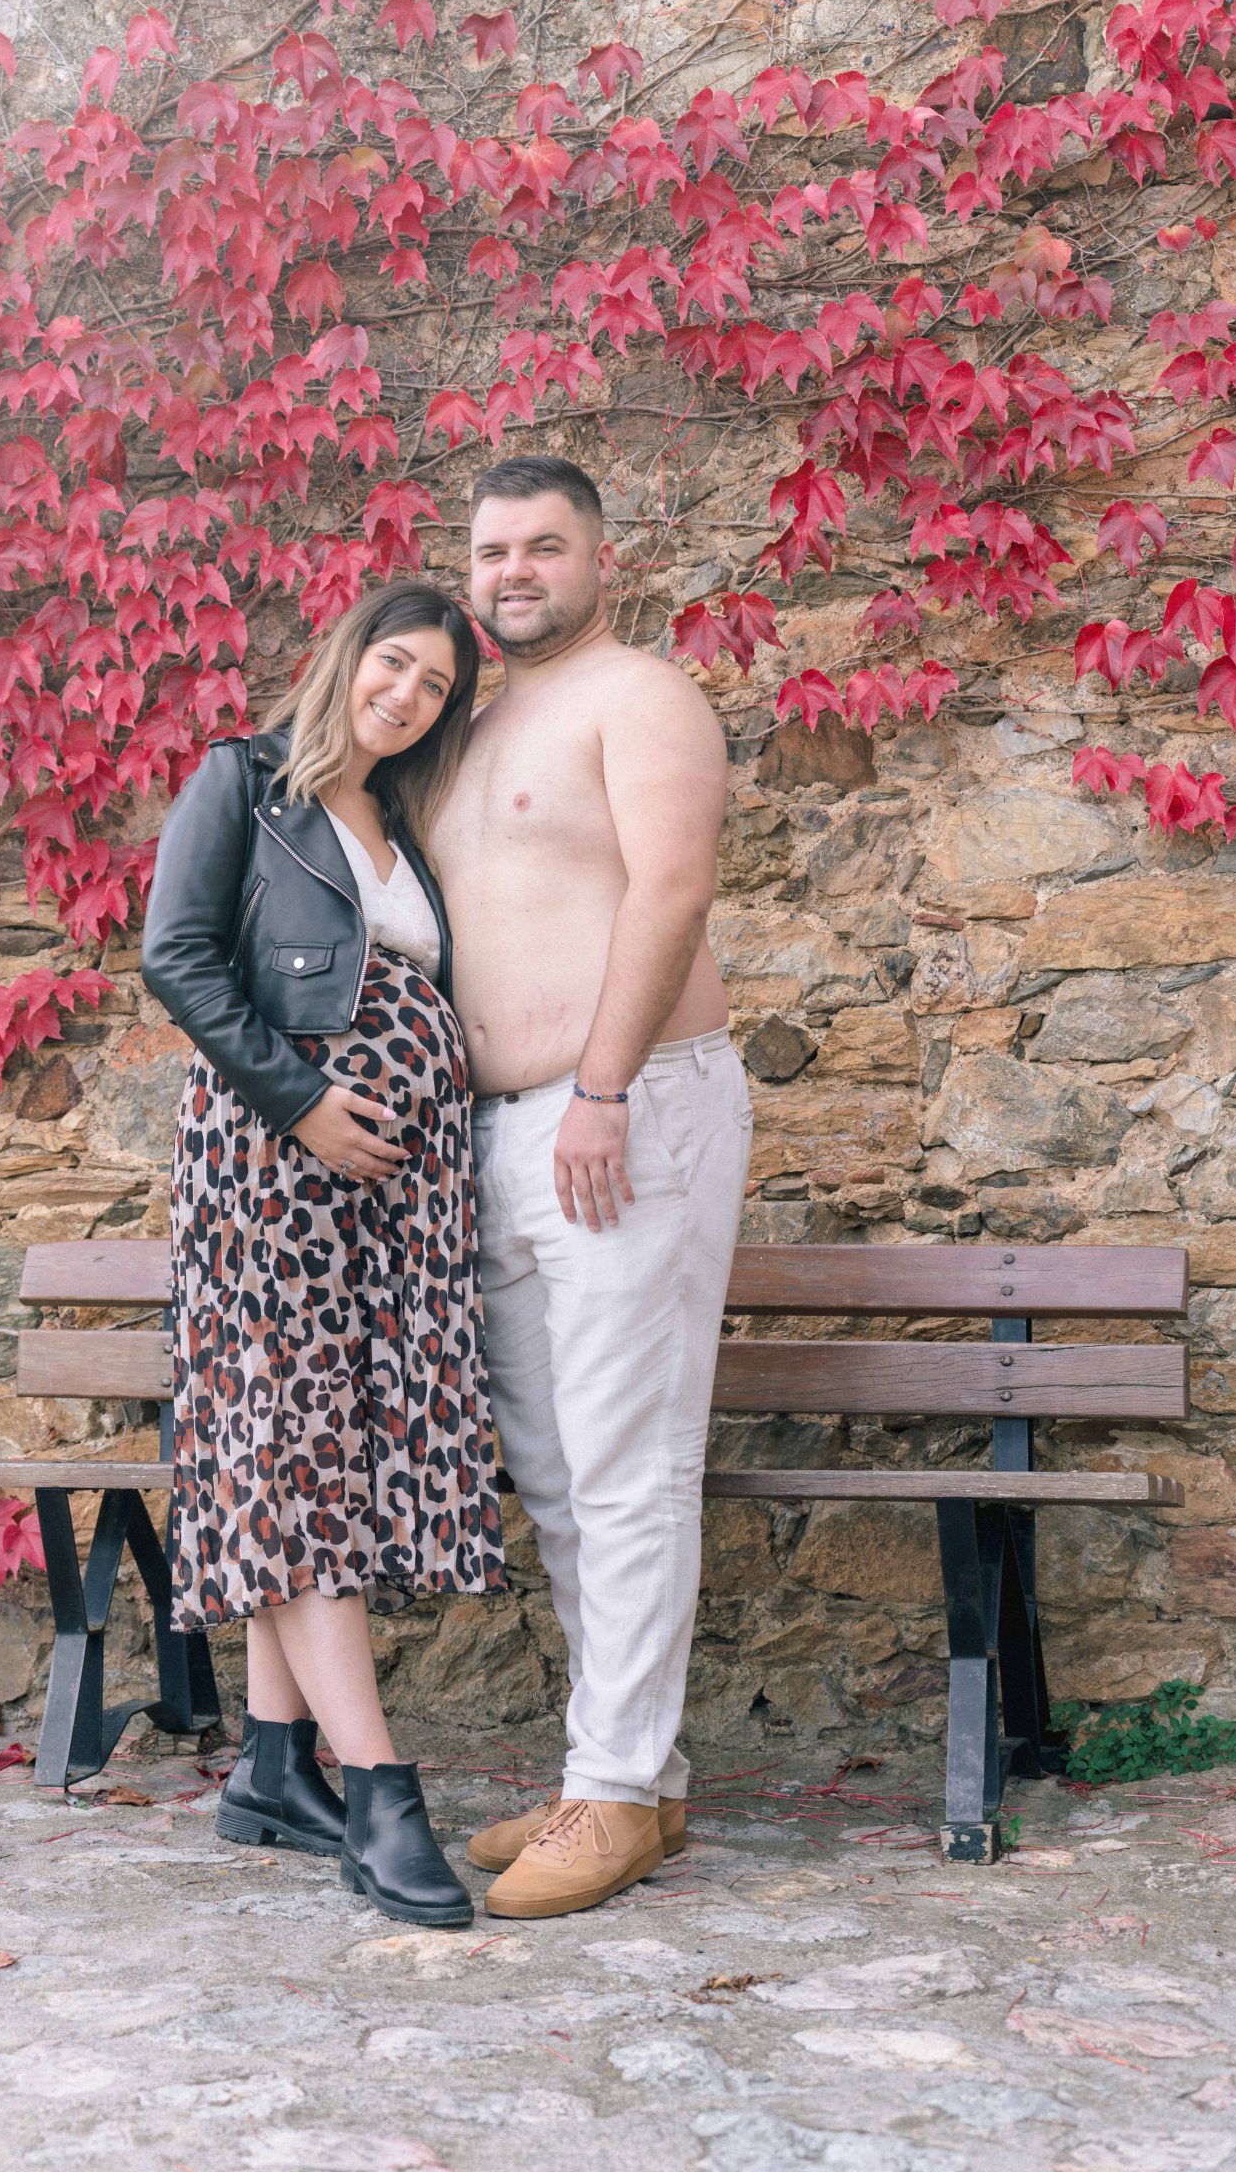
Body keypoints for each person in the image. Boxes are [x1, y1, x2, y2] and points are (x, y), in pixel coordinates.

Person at [141, 580, 505, 1931]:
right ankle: (381, 1789)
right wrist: (299, 1105)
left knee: (317, 1445)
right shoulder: (243, 780)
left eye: (433, 689)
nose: (403, 696)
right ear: (346, 657)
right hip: (276, 1165)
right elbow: (177, 958)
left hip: (392, 1189)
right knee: (296, 1454)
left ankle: (272, 1768)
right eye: (391, 665)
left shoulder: (401, 821)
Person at [429, 456, 753, 1921]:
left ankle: (615, 1795)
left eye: (542, 547)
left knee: (627, 1462)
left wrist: (606, 1088)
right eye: (492, 550)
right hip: (502, 1133)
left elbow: (671, 889)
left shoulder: (645, 697)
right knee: (558, 1478)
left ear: (599, 559)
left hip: (626, 1111)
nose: (513, 573)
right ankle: (625, 1775)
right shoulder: (480, 722)